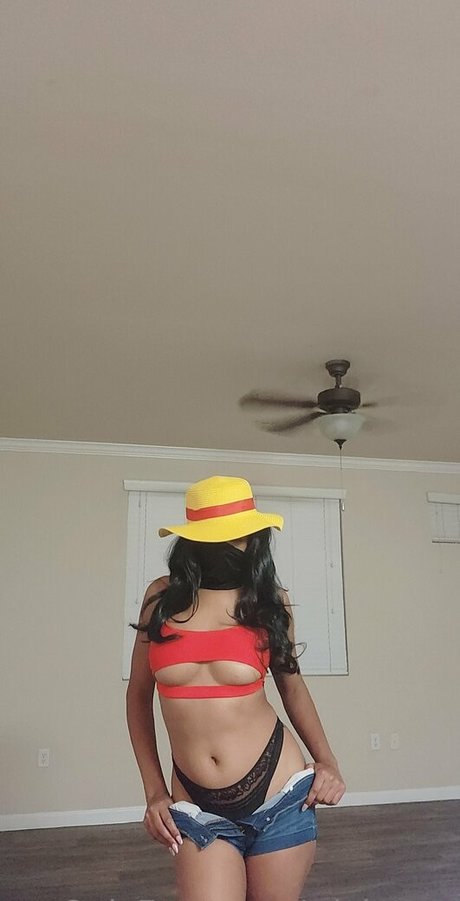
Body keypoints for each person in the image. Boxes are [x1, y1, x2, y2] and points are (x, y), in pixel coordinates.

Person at [126, 475, 345, 901]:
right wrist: (153, 791)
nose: (227, 545)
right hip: (195, 803)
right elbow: (137, 696)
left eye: (235, 535)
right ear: (192, 541)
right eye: (215, 537)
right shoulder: (161, 598)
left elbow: (292, 687)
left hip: (279, 793)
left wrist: (328, 761)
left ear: (253, 539)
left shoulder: (268, 601)